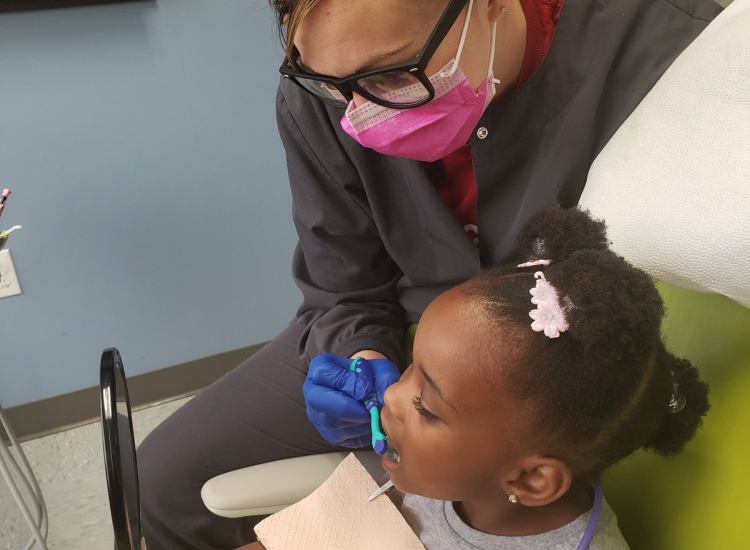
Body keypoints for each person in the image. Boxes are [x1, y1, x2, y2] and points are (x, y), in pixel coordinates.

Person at [136, 0, 722, 548]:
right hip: (403, 326)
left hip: (563, 374)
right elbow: (342, 281)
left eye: (392, 73)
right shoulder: (322, 87)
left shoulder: (681, 49)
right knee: (159, 484)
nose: (360, 113)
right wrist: (363, 354)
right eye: (332, 88)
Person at [236, 207, 710, 550]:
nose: (392, 396)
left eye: (425, 407)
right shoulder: (436, 481)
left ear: (530, 479)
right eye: (410, 370)